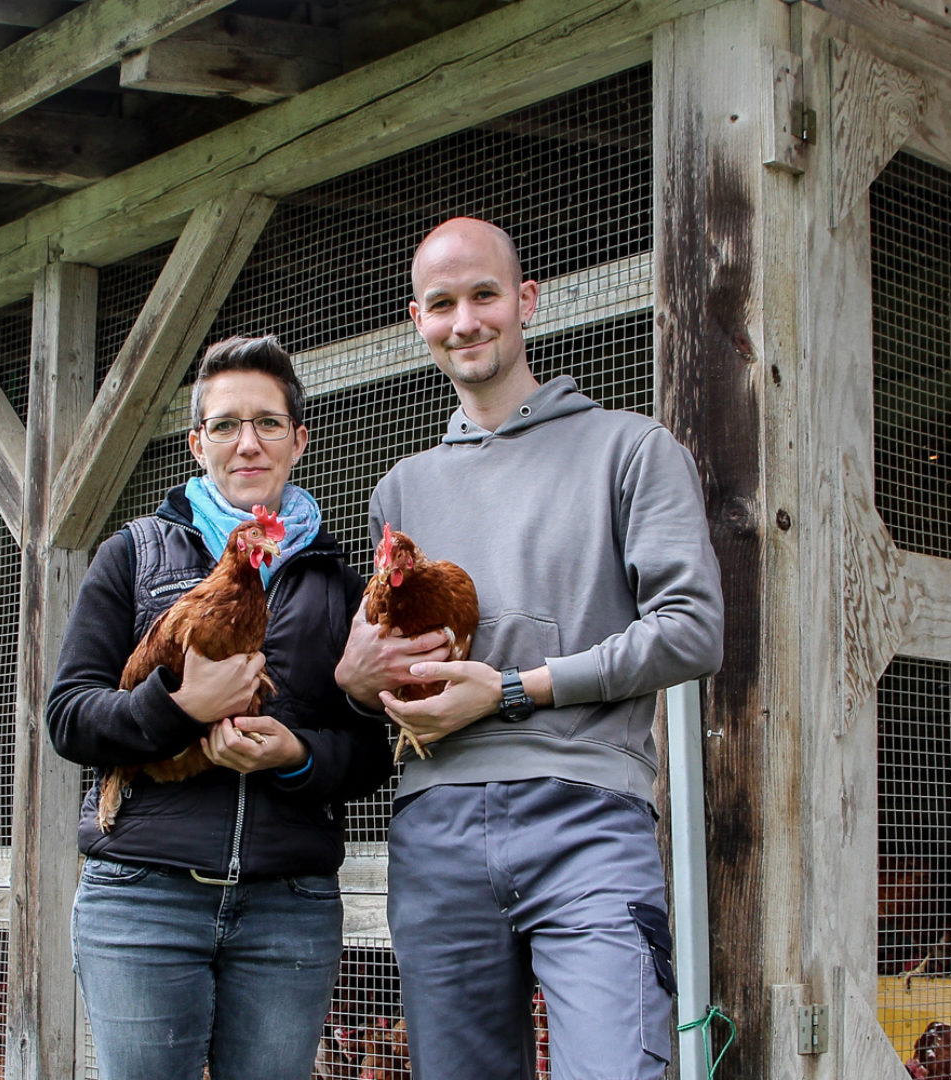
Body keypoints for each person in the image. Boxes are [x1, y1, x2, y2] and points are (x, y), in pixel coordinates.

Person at [335, 218, 724, 1080]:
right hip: (435, 828)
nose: (466, 320)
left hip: (586, 812)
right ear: (417, 318)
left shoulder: (630, 450)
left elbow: (692, 629)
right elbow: (391, 674)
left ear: (527, 301)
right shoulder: (402, 488)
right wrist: (356, 683)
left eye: (484, 295)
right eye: (442, 304)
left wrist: (514, 690)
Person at [48, 334, 391, 1080]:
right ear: (198, 442)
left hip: (286, 905)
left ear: (299, 440)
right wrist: (178, 706)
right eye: (227, 424)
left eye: (268, 422)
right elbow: (69, 716)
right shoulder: (134, 554)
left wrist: (297, 757)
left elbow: (372, 748)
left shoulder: (337, 581)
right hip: (145, 894)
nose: (248, 443)